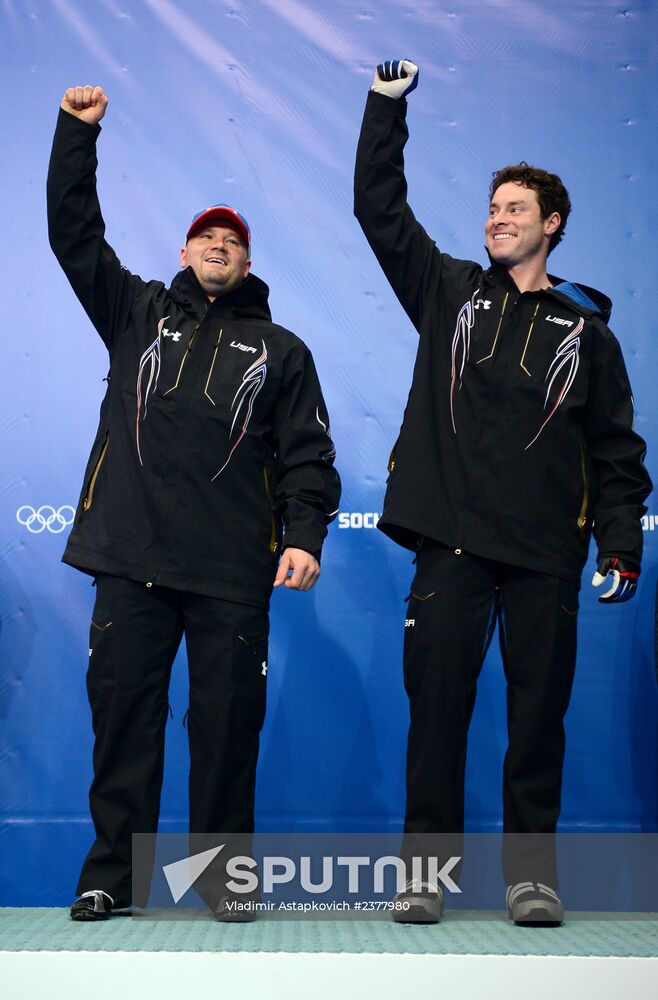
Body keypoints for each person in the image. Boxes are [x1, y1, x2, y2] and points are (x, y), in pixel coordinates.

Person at [354, 61, 651, 925]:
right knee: (436, 720)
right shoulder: (448, 292)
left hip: (543, 554)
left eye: (516, 209)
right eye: (493, 208)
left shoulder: (589, 334)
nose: (498, 218)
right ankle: (425, 878)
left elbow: (617, 453)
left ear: (551, 226)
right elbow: (379, 210)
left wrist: (620, 541)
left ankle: (531, 879)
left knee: (536, 727)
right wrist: (385, 108)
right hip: (449, 541)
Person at [48, 85, 340, 921]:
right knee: (125, 729)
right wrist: (78, 135)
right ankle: (112, 875)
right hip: (129, 559)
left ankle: (224, 880)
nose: (218, 246)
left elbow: (309, 458)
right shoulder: (136, 310)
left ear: (248, 264)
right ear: (184, 250)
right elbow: (73, 233)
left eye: (232, 240)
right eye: (206, 236)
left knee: (225, 731)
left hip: (229, 572)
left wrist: (306, 534)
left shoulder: (282, 350)